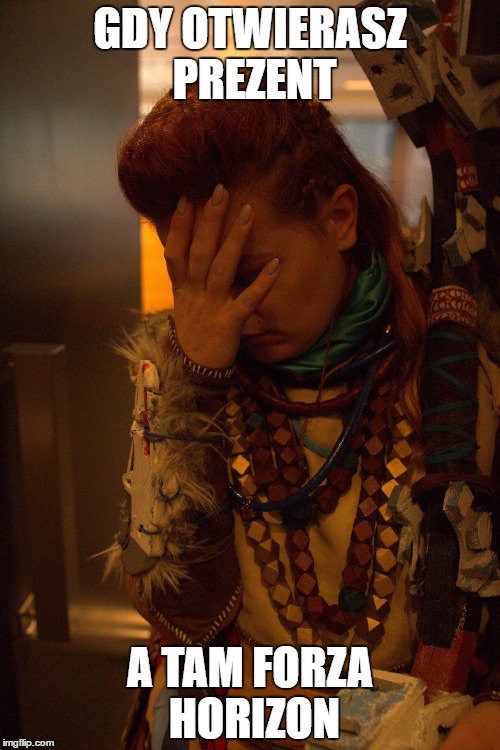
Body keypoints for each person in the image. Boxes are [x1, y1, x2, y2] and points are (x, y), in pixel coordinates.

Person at [113, 91, 499, 750]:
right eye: (194, 280)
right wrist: (192, 386)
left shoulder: (462, 369)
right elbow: (181, 612)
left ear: (339, 218)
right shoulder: (182, 376)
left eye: (245, 273)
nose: (224, 311)